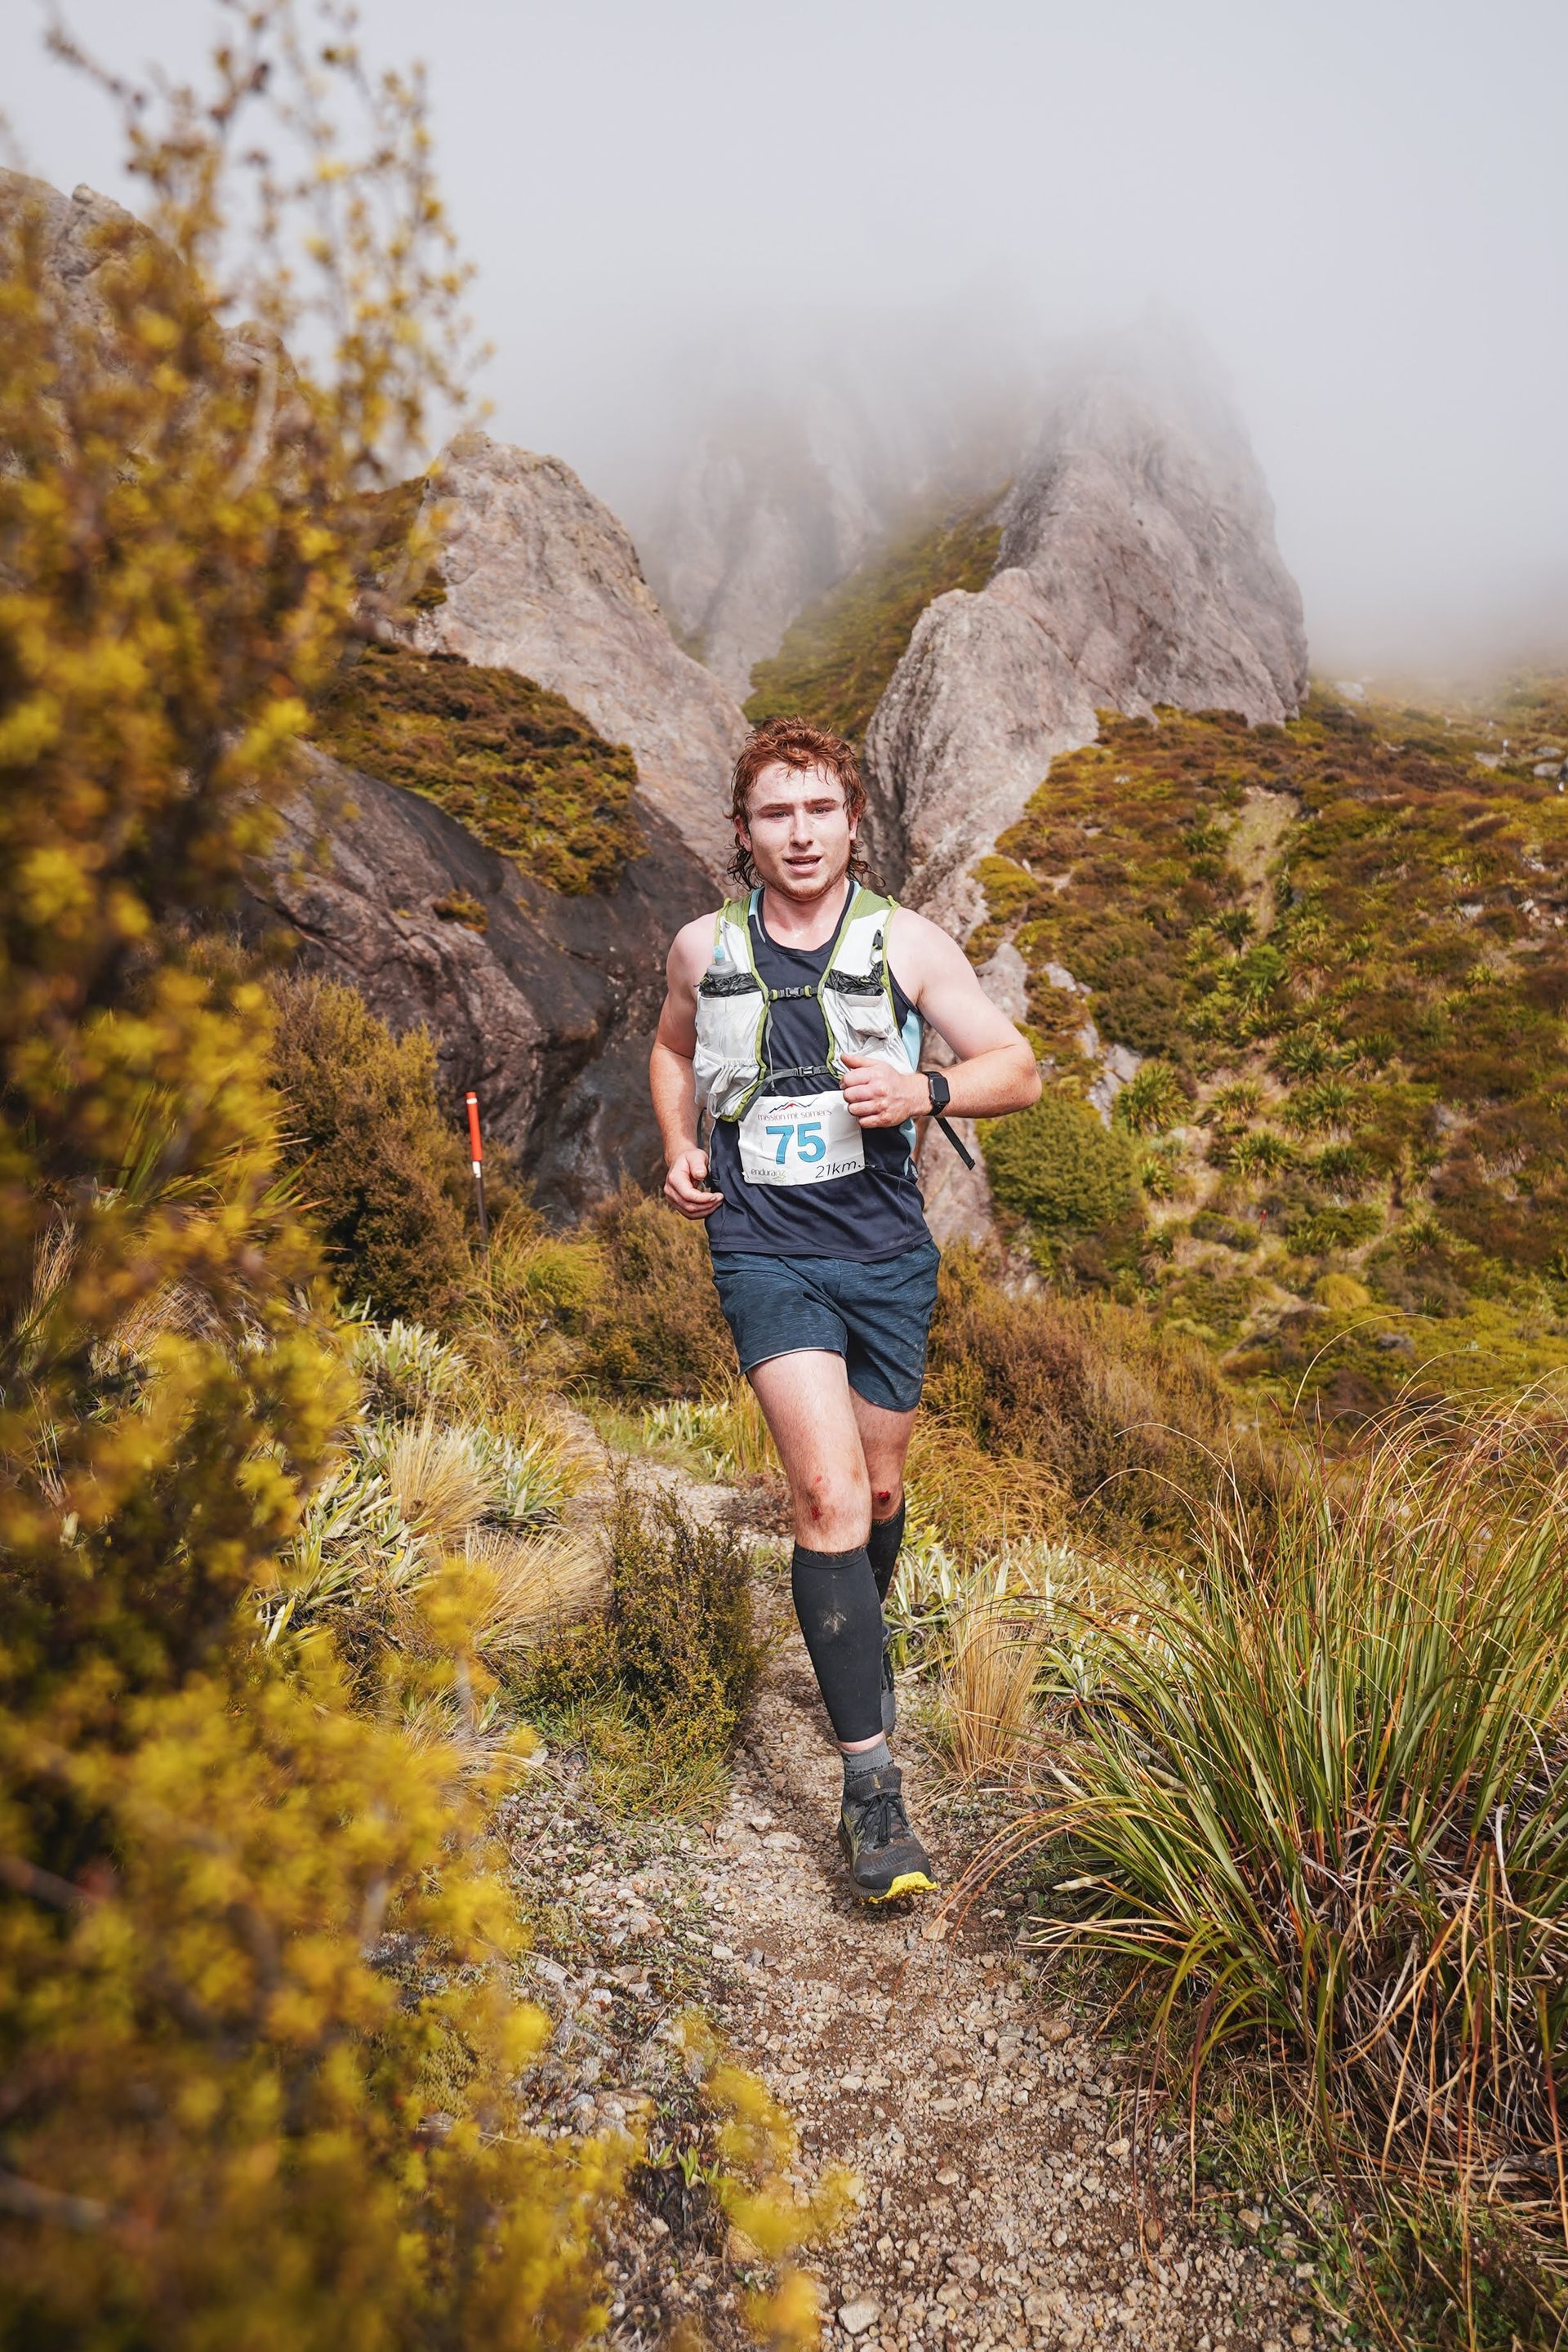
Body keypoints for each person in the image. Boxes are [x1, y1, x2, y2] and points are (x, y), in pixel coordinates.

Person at [649, 716, 1040, 1902]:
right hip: (763, 1247)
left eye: (820, 810)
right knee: (822, 1497)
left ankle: (852, 1645)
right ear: (743, 832)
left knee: (876, 1492)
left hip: (882, 1254)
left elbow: (1014, 1068)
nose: (801, 833)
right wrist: (676, 1145)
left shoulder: (906, 943)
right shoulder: (700, 947)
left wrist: (924, 1087)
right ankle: (873, 1791)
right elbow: (672, 1053)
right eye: (777, 813)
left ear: (853, 822)